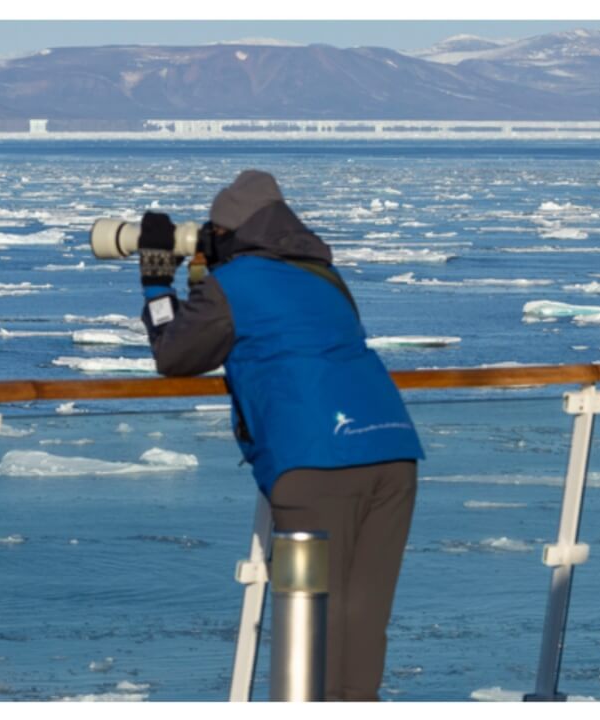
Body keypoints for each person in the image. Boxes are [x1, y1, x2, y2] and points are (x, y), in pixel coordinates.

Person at [136, 169, 423, 701]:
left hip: (312, 469)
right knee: (362, 620)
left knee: (305, 620)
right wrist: (206, 277)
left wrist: (158, 281)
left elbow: (175, 354)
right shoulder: (323, 275)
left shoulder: (234, 285)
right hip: (392, 454)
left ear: (226, 235)